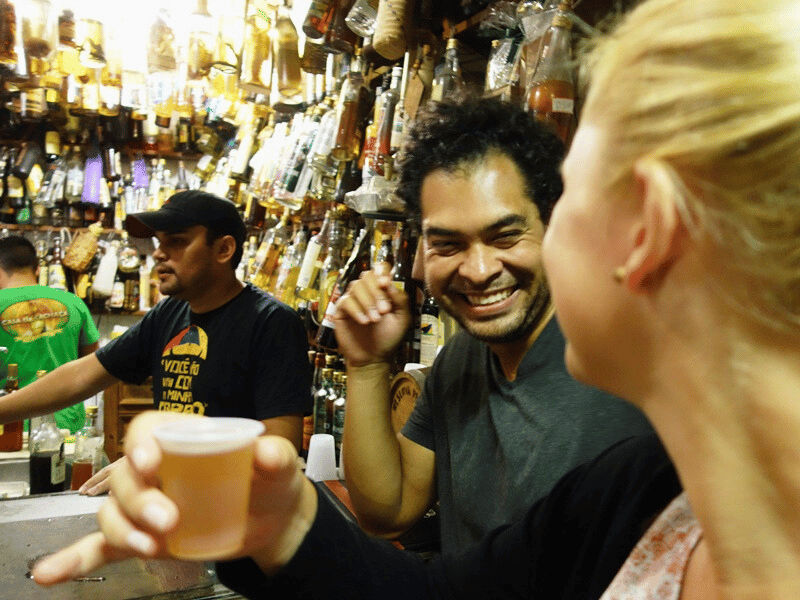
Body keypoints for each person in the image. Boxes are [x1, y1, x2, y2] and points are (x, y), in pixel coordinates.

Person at [31, 0, 800, 597]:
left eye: (570, 200)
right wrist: (277, 524)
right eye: (446, 242)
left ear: (650, 227)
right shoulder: (646, 494)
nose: (479, 268)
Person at [334, 96, 652, 552]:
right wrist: (364, 364)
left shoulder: (627, 349)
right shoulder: (461, 357)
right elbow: (388, 511)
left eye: (505, 236)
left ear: (552, 223)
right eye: (448, 244)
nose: (479, 270)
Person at [0, 191, 312, 495]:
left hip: (236, 518)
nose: (159, 253)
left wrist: (160, 462)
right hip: (176, 505)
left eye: (176, 242)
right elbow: (82, 375)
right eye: (159, 242)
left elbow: (278, 450)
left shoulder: (271, 322)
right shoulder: (171, 312)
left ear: (223, 249)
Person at [0, 235, 99, 433]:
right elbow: (93, 363)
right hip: (66, 426)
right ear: (37, 268)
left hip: (11, 426)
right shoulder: (74, 302)